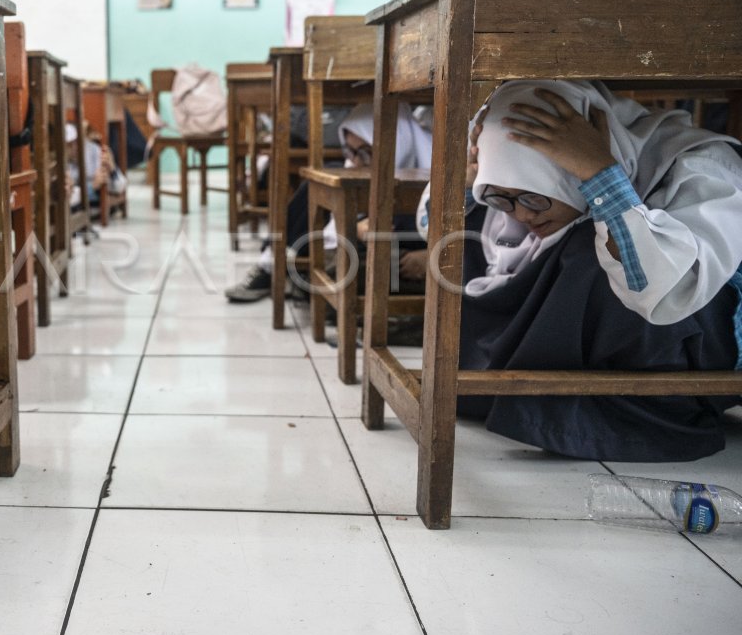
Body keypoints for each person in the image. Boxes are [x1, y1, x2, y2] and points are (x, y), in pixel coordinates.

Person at [455, 79, 742, 462]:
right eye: (502, 196)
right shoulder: (522, 202)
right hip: (611, 330)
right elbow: (449, 233)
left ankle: (619, 415)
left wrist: (600, 174)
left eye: (534, 198)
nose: (521, 214)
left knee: (599, 245)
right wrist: (471, 182)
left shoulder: (703, 166)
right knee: (467, 239)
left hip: (697, 337)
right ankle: (513, 389)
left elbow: (664, 291)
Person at [225, 102, 432, 302]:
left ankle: (290, 273)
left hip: (401, 256)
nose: (355, 161)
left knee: (351, 267)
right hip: (367, 250)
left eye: (365, 152)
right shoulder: (355, 167)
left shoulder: (429, 178)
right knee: (319, 183)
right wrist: (355, 227)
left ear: (396, 144)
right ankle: (276, 264)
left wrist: (428, 257)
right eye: (350, 151)